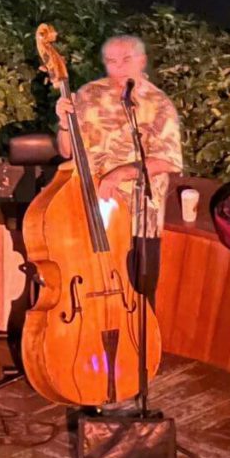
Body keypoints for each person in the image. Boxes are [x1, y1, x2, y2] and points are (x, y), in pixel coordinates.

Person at [55, 35, 182, 298]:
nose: (119, 67)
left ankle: (137, 341)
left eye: (126, 60)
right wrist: (64, 123)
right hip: (90, 208)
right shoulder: (88, 94)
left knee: (137, 296)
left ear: (142, 60)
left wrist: (120, 173)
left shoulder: (159, 103)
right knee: (89, 289)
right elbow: (67, 150)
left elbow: (168, 159)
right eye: (111, 61)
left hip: (138, 216)